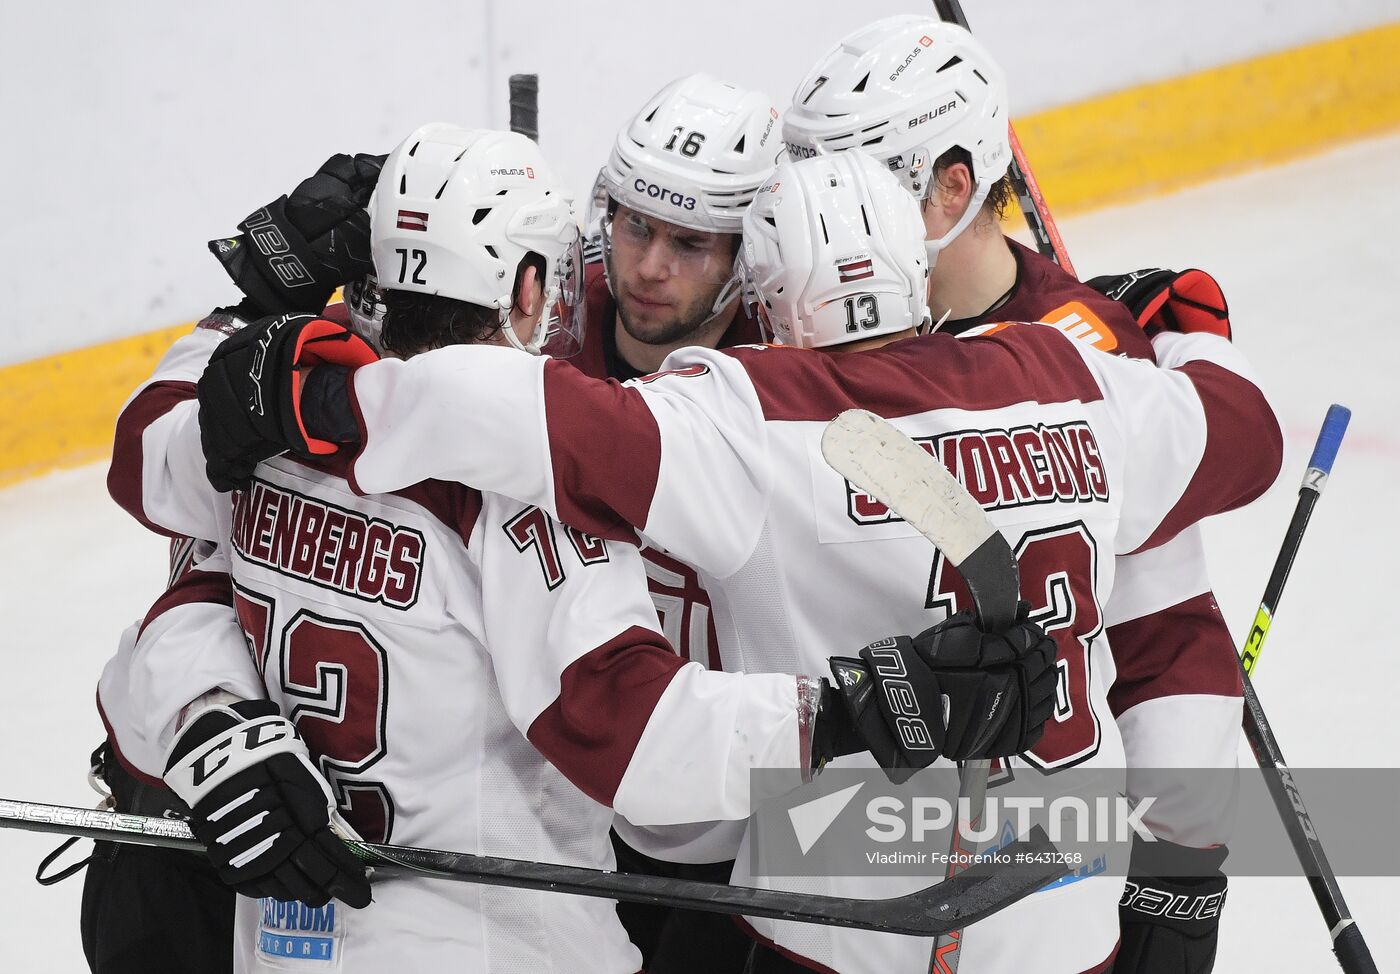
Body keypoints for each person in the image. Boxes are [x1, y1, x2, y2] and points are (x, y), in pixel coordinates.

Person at [196, 149, 1283, 974]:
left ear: (762, 301)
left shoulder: (747, 418)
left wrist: (327, 389)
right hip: (1060, 910)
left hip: (835, 923)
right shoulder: (1075, 377)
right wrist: (1185, 326)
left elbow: (531, 416)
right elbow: (1243, 434)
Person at [782, 16, 1242, 970]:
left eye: (858, 183)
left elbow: (1171, 637)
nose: (818, 216)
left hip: (1028, 895)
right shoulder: (797, 296)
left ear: (956, 185)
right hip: (808, 883)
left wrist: (1180, 880)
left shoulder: (1087, 357)